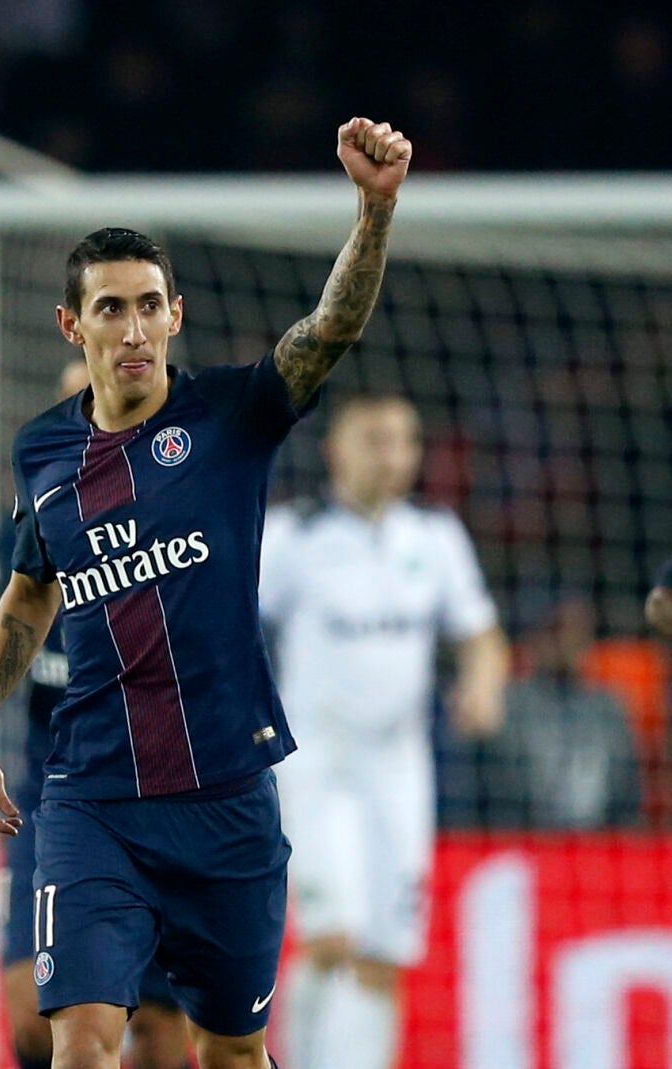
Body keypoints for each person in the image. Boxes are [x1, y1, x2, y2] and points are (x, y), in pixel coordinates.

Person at [0, 116, 414, 1069]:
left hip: (225, 797)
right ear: (73, 325)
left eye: (149, 305)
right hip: (92, 798)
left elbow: (331, 329)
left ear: (176, 315)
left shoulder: (231, 416)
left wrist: (373, 212)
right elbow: (31, 589)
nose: (133, 327)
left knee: (230, 1051)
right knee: (77, 1042)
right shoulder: (44, 451)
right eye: (110, 308)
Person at [258, 394, 509, 1069]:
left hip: (399, 769)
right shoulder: (292, 536)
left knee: (383, 954)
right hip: (315, 765)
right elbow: (226, 627)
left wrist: (483, 683)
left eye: (404, 439)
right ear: (335, 449)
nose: (392, 455)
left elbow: (481, 634)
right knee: (331, 937)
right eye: (374, 438)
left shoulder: (435, 536)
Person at [0, 362, 189, 1069]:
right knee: (33, 1016)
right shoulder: (27, 524)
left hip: (163, 797)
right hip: (56, 798)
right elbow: (10, 628)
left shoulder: (186, 519)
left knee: (161, 1033)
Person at [462, 598, 641, 830]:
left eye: (579, 631)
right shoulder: (509, 705)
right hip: (524, 841)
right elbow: (492, 792)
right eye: (558, 630)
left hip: (598, 844)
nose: (569, 641)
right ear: (536, 636)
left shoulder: (608, 708)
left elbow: (627, 796)